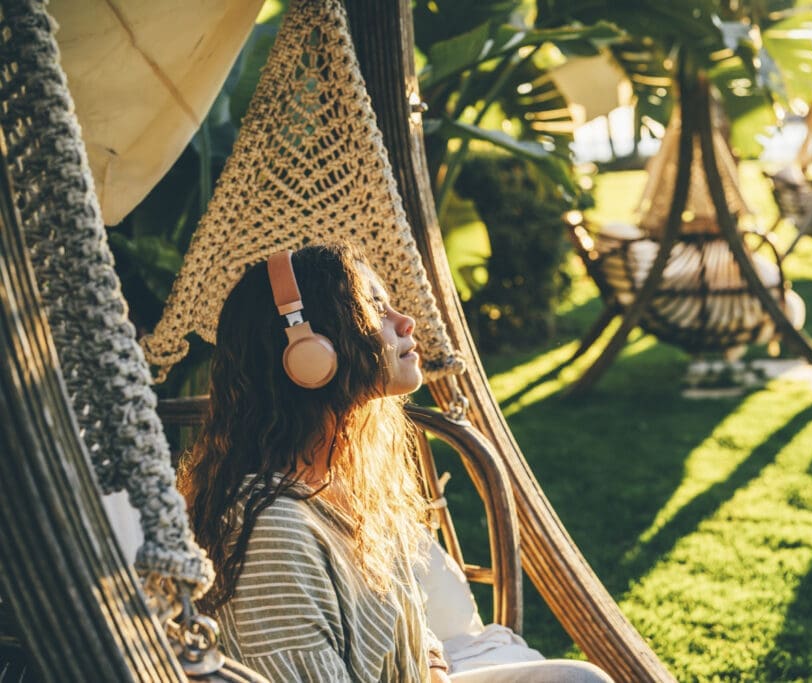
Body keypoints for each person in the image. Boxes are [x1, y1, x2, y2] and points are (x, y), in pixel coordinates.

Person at [179, 244, 613, 682]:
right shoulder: (271, 532)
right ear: (307, 350)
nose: (405, 322)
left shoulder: (339, 479)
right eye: (374, 307)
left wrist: (430, 660)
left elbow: (404, 621)